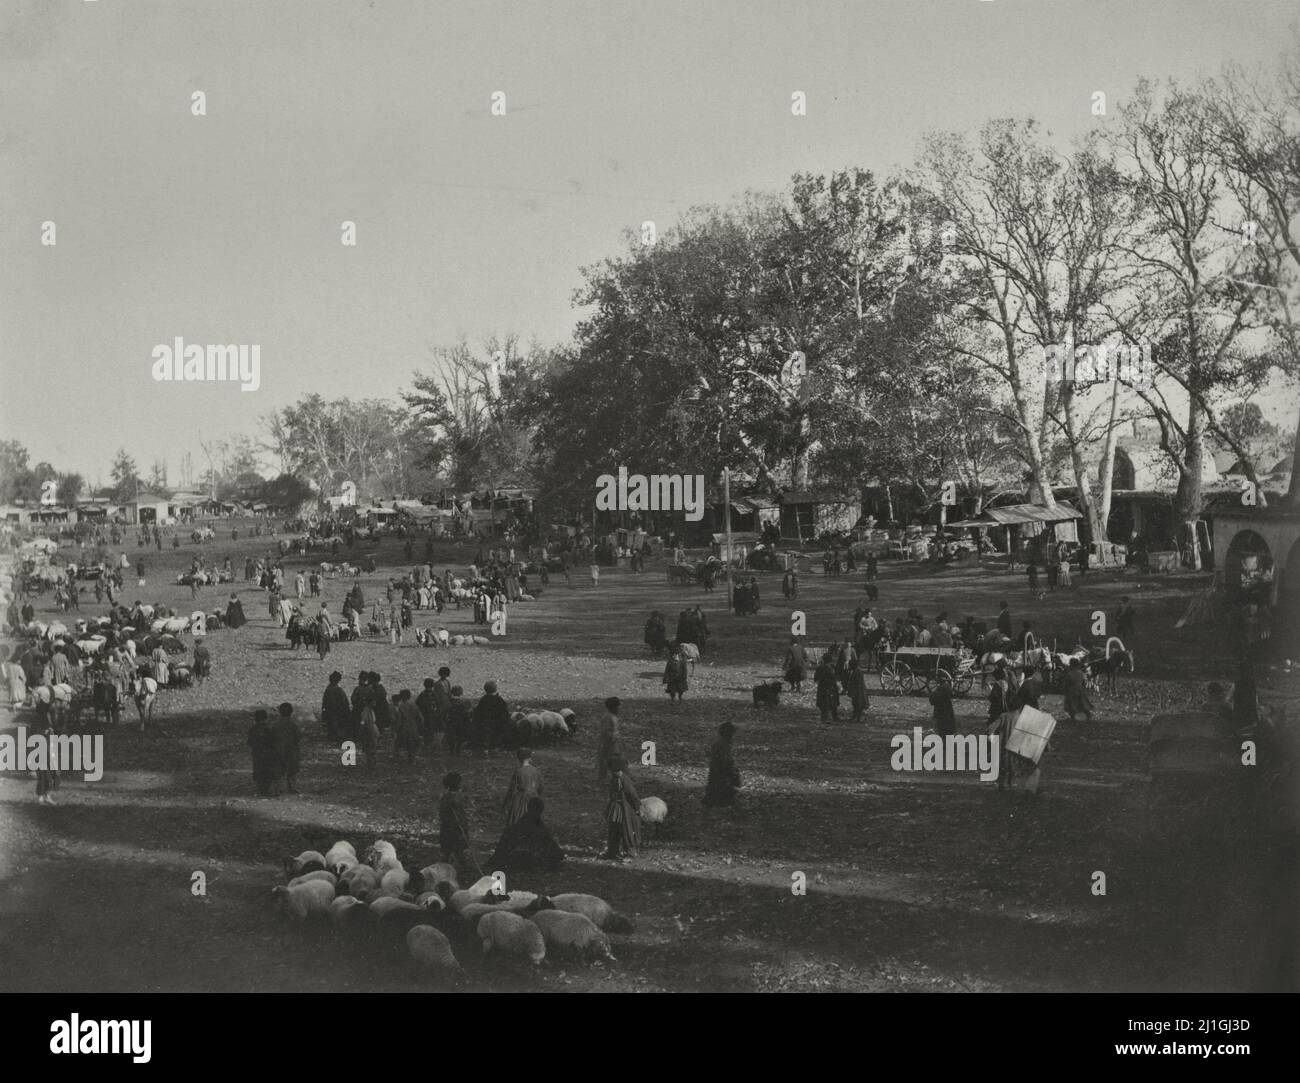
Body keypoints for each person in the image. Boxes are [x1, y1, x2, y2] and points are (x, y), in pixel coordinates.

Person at [489, 796, 564, 874]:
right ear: (541, 811)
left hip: (516, 856)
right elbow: (551, 845)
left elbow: (551, 844)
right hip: (523, 857)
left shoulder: (522, 824)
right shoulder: (536, 826)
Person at [439, 772, 483, 881]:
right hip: (453, 830)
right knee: (453, 851)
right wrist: (461, 825)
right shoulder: (452, 798)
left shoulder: (451, 798)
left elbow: (448, 814)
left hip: (452, 829)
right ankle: (448, 871)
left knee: (453, 852)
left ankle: (461, 870)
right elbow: (453, 815)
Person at [602, 756, 640, 861]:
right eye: (612, 771)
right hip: (615, 808)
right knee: (613, 830)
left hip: (625, 809)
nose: (613, 772)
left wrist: (637, 808)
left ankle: (631, 853)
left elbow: (633, 795)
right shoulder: (614, 779)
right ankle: (612, 852)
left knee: (627, 831)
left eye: (615, 770)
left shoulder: (625, 780)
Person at [501, 747, 542, 827]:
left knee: (516, 823)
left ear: (519, 757)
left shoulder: (518, 772)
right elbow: (540, 787)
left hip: (520, 801)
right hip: (533, 799)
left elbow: (511, 790)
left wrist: (505, 804)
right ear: (530, 757)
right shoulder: (536, 771)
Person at [703, 721, 741, 807]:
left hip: (718, 770)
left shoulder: (722, 743)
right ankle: (721, 802)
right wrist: (733, 769)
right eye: (732, 734)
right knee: (722, 787)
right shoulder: (723, 745)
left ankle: (715, 801)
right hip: (722, 770)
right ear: (729, 734)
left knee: (717, 786)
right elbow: (726, 760)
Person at [472, 680, 510, 756]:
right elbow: (505, 712)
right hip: (497, 723)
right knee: (497, 736)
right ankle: (494, 750)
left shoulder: (483, 700)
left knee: (486, 736)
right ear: (496, 689)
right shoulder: (499, 700)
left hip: (485, 723)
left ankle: (485, 750)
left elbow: (478, 712)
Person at [272, 702, 302, 793]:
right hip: (291, 751)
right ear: (291, 712)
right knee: (292, 771)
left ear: (280, 712)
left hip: (279, 750)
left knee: (279, 771)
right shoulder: (294, 725)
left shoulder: (276, 725)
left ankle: (278, 789)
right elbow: (297, 738)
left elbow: (272, 737)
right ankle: (292, 788)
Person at [247, 709, 278, 795]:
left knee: (258, 771)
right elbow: (274, 742)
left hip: (257, 754)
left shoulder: (252, 729)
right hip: (268, 754)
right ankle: (268, 790)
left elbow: (250, 742)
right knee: (268, 772)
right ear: (266, 718)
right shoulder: (269, 729)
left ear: (255, 719)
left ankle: (260, 789)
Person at [596, 697, 625, 782]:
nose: (619, 709)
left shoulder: (613, 717)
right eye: (618, 707)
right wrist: (613, 738)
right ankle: (602, 781)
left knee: (613, 763)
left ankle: (613, 780)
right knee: (605, 763)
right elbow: (606, 732)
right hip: (608, 744)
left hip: (613, 744)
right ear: (613, 708)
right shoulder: (608, 717)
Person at [394, 689, 423, 764]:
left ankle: (398, 755)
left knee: (401, 741)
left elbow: (399, 718)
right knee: (412, 741)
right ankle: (412, 758)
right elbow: (419, 715)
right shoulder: (413, 704)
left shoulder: (400, 705)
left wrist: (397, 728)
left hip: (404, 724)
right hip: (412, 724)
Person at [1062, 658, 1093, 723]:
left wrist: (1065, 690)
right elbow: (1084, 682)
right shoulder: (1081, 673)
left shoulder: (1069, 673)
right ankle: (1086, 715)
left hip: (1072, 691)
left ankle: (1075, 716)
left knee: (1072, 705)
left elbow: (1066, 683)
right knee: (1082, 704)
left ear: (1071, 665)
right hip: (1080, 690)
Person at [321, 671, 350, 741]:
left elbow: (324, 703)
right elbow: (345, 703)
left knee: (332, 726)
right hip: (338, 712)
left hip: (330, 712)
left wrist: (324, 714)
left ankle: (332, 736)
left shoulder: (328, 689)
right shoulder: (339, 690)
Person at [814, 653, 840, 723]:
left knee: (824, 703)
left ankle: (824, 717)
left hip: (823, 687)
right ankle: (835, 716)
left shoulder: (820, 668)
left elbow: (816, 679)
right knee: (833, 702)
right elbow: (836, 677)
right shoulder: (833, 667)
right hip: (832, 687)